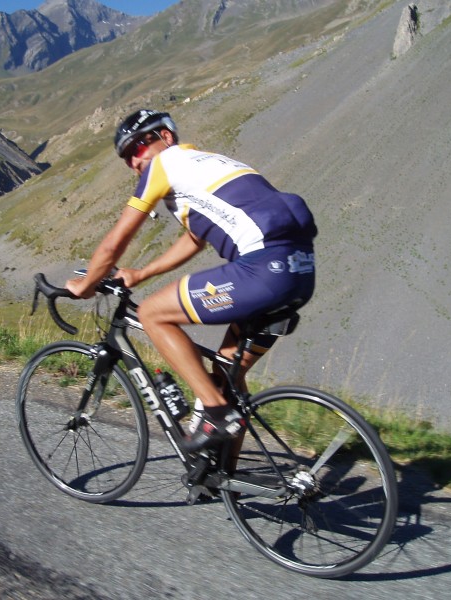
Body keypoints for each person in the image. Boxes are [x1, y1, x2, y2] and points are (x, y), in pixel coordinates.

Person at [66, 109, 317, 452]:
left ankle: (214, 412)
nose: (133, 160)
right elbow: (195, 238)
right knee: (227, 375)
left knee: (152, 313)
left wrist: (84, 284)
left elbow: (115, 241)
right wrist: (141, 273)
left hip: (263, 270)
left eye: (138, 147)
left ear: (166, 137)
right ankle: (225, 480)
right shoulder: (210, 164)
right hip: (300, 272)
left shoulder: (164, 165)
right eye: (126, 157)